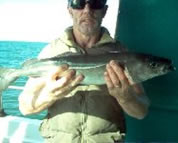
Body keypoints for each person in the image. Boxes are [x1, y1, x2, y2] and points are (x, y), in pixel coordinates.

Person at [19, 0, 150, 142]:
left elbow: (141, 112)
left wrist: (126, 98)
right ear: (70, 10)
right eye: (79, 3)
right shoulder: (51, 52)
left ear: (104, 11)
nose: (87, 10)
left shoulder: (122, 54)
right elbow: (25, 107)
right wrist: (49, 95)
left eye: (95, 3)